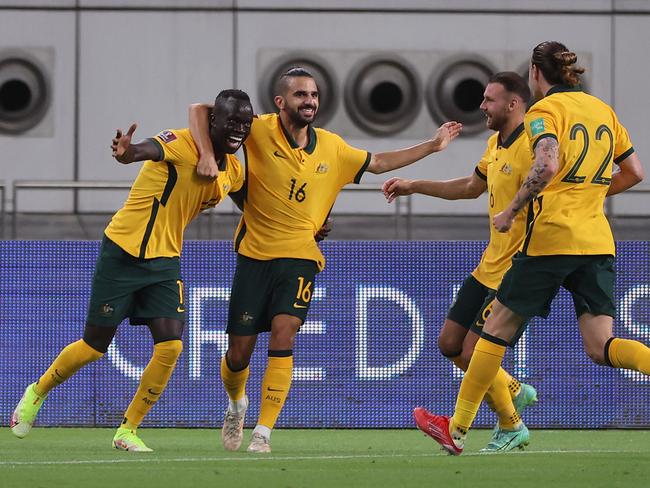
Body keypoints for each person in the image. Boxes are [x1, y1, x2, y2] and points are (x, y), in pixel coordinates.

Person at [188, 67, 462, 453]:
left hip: (301, 258)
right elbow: (201, 109)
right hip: (254, 256)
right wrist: (205, 155)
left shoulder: (332, 147)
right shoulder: (258, 129)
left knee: (285, 334)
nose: (310, 102)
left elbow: (379, 161)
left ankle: (263, 433)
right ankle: (236, 404)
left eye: (314, 95)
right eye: (301, 95)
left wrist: (432, 146)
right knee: (238, 354)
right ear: (281, 102)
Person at [414, 41, 647, 455]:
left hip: (551, 237)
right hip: (596, 240)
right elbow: (634, 172)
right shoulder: (604, 111)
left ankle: (458, 428)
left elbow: (547, 164)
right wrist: (589, 196)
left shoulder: (544, 112)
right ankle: (486, 423)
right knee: (602, 346)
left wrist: (513, 208)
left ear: (537, 74)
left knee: (494, 330)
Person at [10, 89, 254, 452]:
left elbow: (252, 203)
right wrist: (126, 151)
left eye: (245, 124)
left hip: (165, 260)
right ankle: (37, 391)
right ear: (213, 120)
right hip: (123, 251)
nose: (239, 130)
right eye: (232, 121)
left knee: (171, 346)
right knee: (94, 347)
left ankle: (128, 430)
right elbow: (140, 151)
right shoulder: (180, 143)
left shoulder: (232, 170)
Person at [383, 72, 537, 452]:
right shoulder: (495, 144)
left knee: (472, 352)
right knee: (450, 344)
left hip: (516, 270)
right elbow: (472, 187)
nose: (482, 106)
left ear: (513, 104)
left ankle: (508, 423)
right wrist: (413, 185)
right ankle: (511, 389)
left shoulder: (536, 145)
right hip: (488, 266)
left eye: (489, 100)